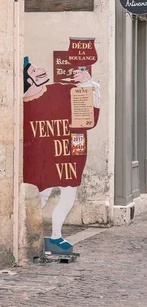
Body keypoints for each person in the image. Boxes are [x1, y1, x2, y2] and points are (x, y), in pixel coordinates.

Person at [23, 58, 101, 253]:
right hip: (41, 159)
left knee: (68, 194)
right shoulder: (21, 106)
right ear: (28, 81)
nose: (41, 69)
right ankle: (27, 234)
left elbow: (86, 107)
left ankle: (56, 235)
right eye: (34, 71)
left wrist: (86, 82)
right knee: (41, 196)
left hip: (67, 155)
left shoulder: (57, 90)